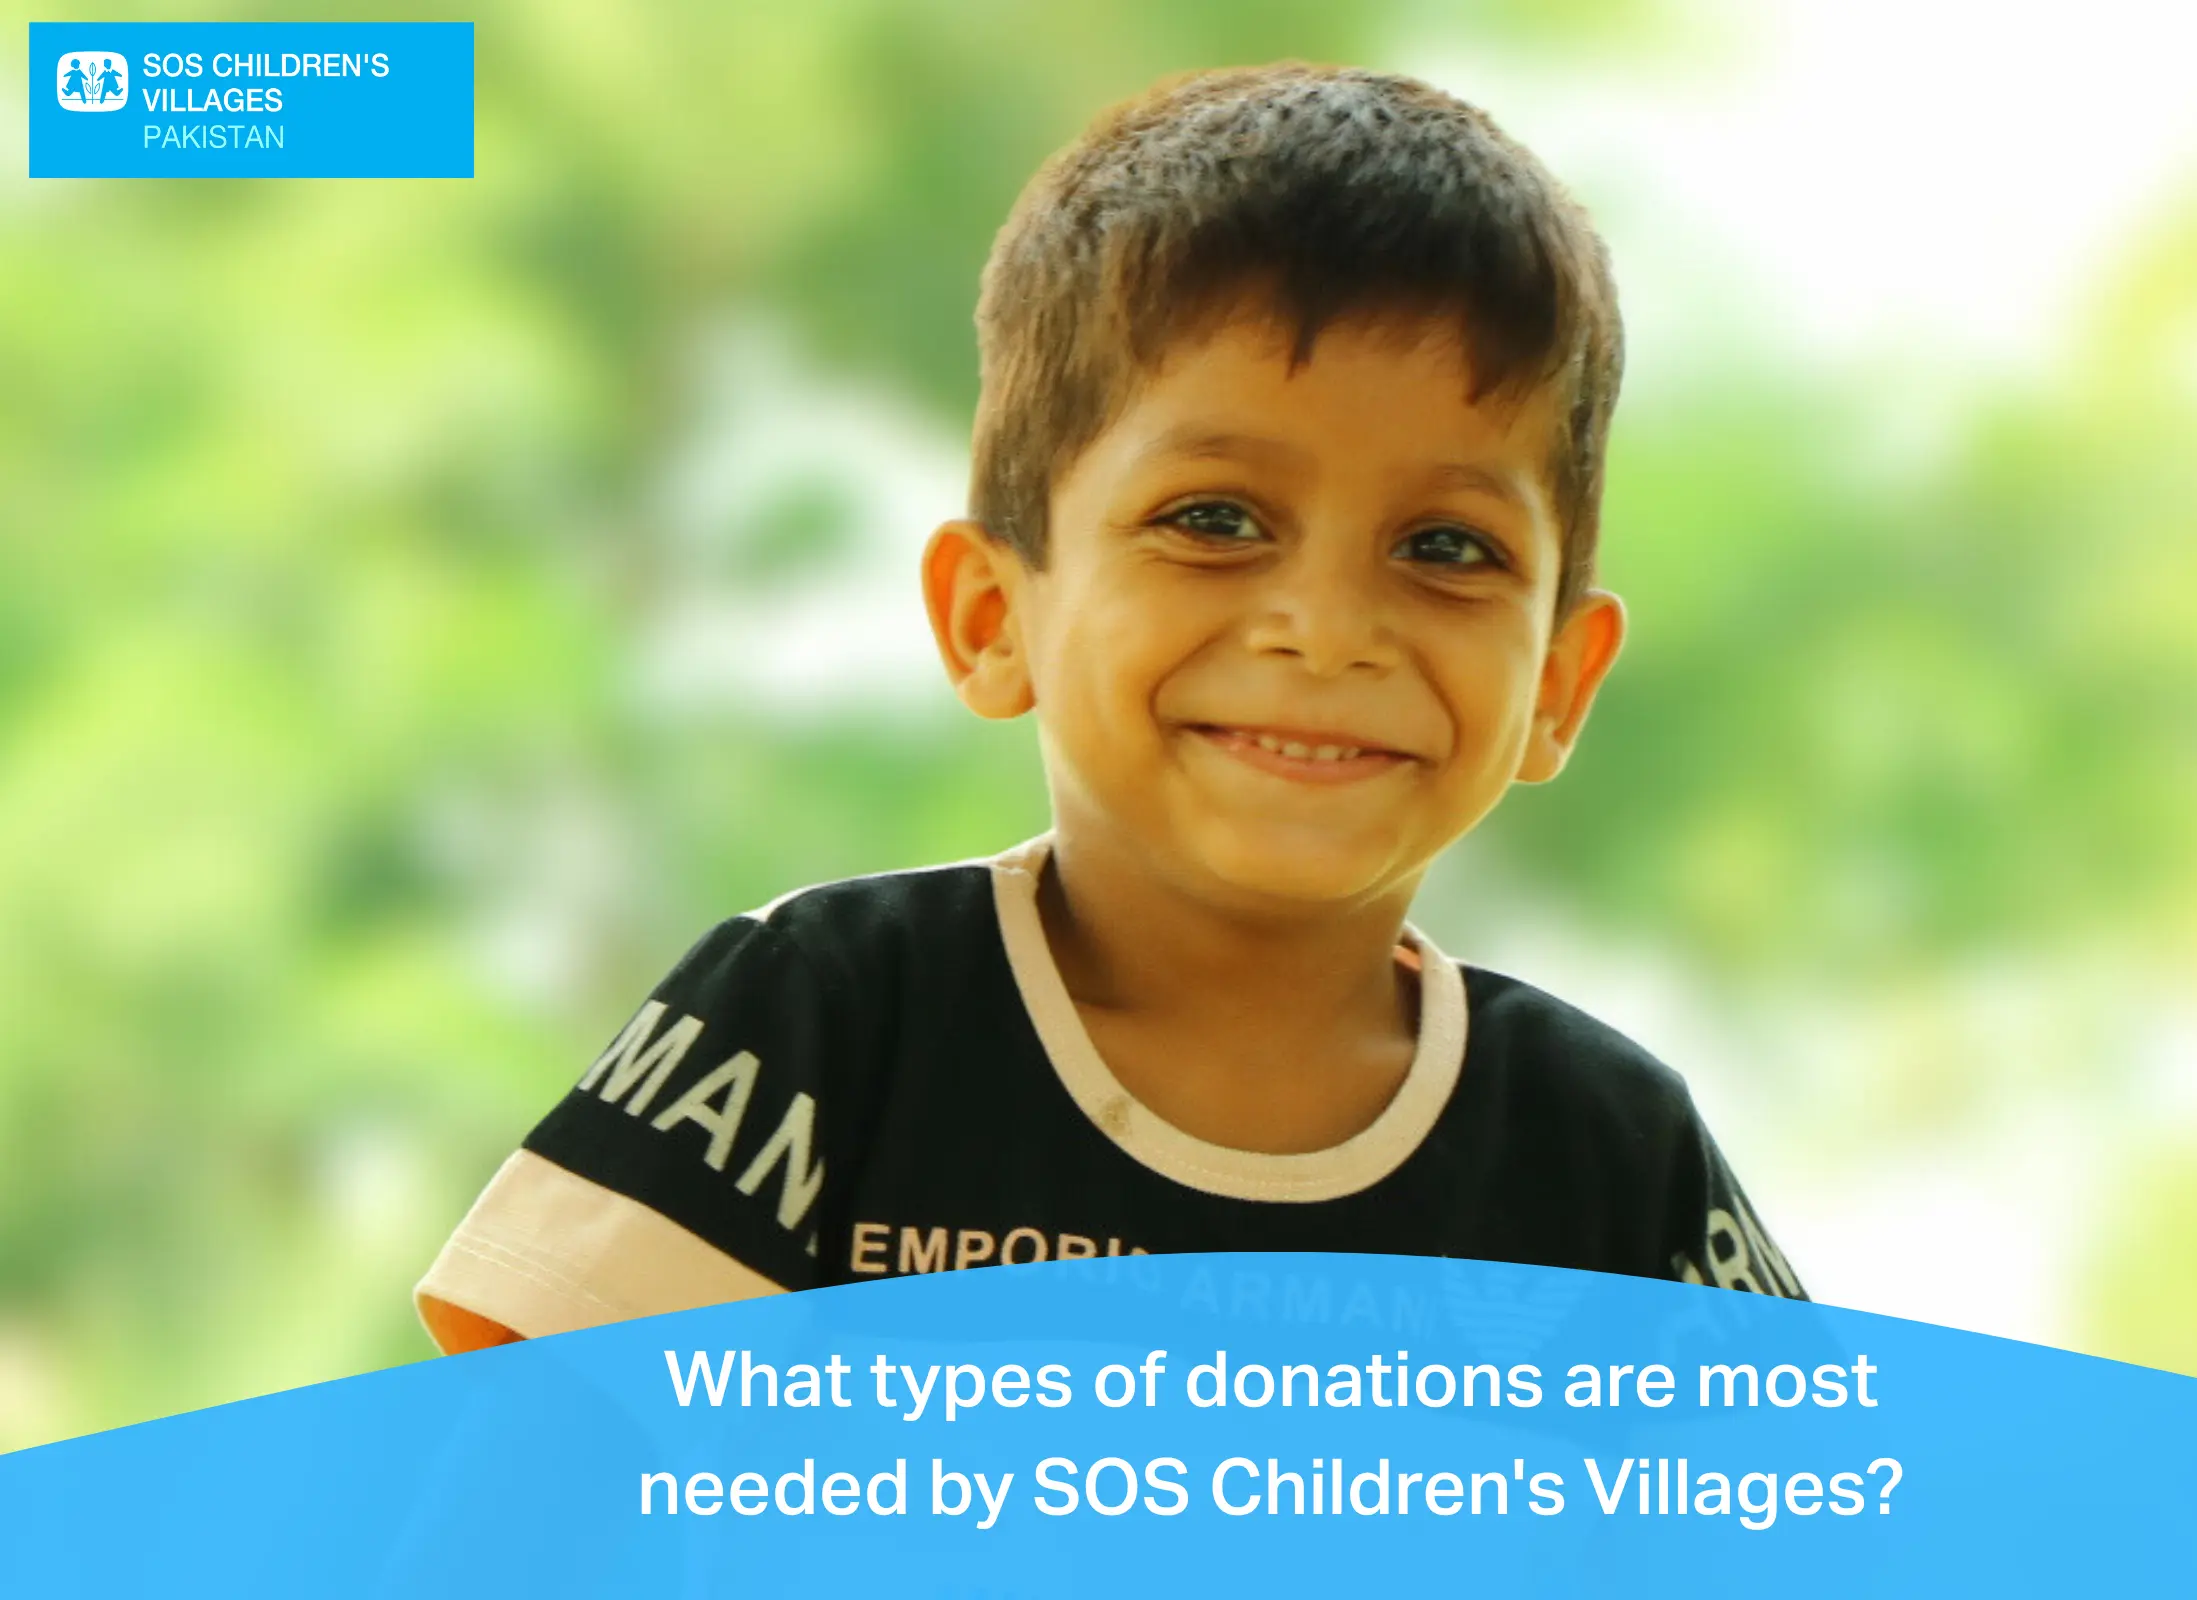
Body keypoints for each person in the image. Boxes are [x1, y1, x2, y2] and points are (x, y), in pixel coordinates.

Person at [415, 62, 1804, 1356]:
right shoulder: (823, 1023)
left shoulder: (1608, 1157)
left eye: (1447, 548)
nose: (1327, 630)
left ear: (1561, 684)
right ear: (991, 617)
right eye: (1214, 518)